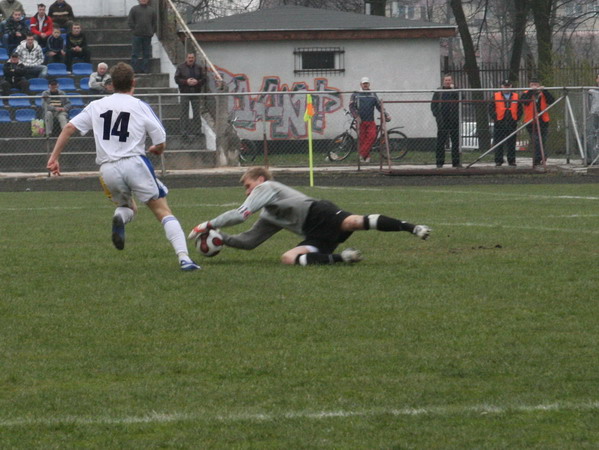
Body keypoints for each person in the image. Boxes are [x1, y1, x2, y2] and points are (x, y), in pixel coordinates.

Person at [46, 62, 200, 272]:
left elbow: (70, 127)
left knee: (128, 207)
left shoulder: (96, 105)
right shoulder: (139, 105)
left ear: (111, 84)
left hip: (107, 169)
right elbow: (160, 138)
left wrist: (54, 157)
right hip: (134, 163)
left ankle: (120, 216)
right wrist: (158, 148)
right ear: (133, 83)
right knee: (163, 211)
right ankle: (184, 258)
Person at [187, 167, 431, 266]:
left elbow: (241, 215)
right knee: (288, 258)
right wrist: (220, 236)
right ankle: (341, 258)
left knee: (353, 222)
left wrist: (206, 225)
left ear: (260, 180)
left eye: (248, 185)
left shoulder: (267, 188)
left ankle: (413, 228)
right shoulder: (270, 214)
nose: (247, 191)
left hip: (319, 213)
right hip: (313, 233)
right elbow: (249, 242)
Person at [349, 77, 390, 163]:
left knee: (372, 137)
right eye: (364, 83)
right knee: (362, 139)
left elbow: (379, 106)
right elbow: (351, 107)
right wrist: (356, 116)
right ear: (361, 84)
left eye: (367, 83)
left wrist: (386, 114)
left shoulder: (373, 94)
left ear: (369, 84)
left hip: (371, 120)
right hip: (360, 121)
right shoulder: (355, 94)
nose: (365, 85)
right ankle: (366, 157)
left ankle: (362, 155)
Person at [520, 78, 554, 167]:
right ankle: (540, 157)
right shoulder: (526, 93)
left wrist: (545, 91)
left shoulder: (543, 93)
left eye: (536, 84)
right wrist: (532, 92)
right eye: (532, 84)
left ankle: (540, 158)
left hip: (543, 120)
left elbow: (551, 101)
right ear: (529, 85)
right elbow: (524, 102)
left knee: (542, 140)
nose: (534, 86)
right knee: (535, 140)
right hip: (531, 121)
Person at [489, 79, 522, 167]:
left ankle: (511, 160)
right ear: (501, 86)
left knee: (511, 143)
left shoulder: (516, 96)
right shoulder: (495, 96)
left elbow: (520, 109)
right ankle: (498, 160)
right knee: (498, 142)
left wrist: (516, 118)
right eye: (505, 86)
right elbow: (490, 108)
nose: (506, 88)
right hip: (499, 122)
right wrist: (496, 117)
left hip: (512, 122)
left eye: (508, 86)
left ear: (511, 86)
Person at [431, 74, 461, 168]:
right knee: (441, 142)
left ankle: (456, 162)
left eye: (449, 80)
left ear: (452, 81)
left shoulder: (456, 90)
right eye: (446, 80)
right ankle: (439, 162)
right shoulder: (439, 91)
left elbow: (462, 98)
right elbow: (433, 105)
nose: (448, 82)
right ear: (443, 81)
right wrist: (437, 116)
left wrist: (453, 90)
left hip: (454, 121)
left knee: (455, 142)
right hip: (442, 121)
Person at [174, 52, 205, 138]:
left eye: (192, 57)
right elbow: (176, 79)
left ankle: (198, 131)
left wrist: (197, 82)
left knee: (197, 113)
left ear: (194, 58)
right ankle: (184, 132)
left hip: (195, 92)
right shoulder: (180, 67)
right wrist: (186, 82)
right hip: (185, 92)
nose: (191, 59)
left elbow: (204, 79)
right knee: (184, 113)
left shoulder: (199, 67)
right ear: (186, 58)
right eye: (189, 57)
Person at [128, 0, 156, 74]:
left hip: (147, 35)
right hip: (137, 35)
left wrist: (152, 31)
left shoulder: (152, 10)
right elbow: (130, 21)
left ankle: (145, 69)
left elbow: (154, 22)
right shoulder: (134, 9)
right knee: (135, 53)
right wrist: (135, 30)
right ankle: (134, 70)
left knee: (146, 54)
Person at [586, 74, 599, 164]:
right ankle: (594, 157)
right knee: (593, 134)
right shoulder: (592, 91)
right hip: (595, 114)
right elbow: (589, 104)